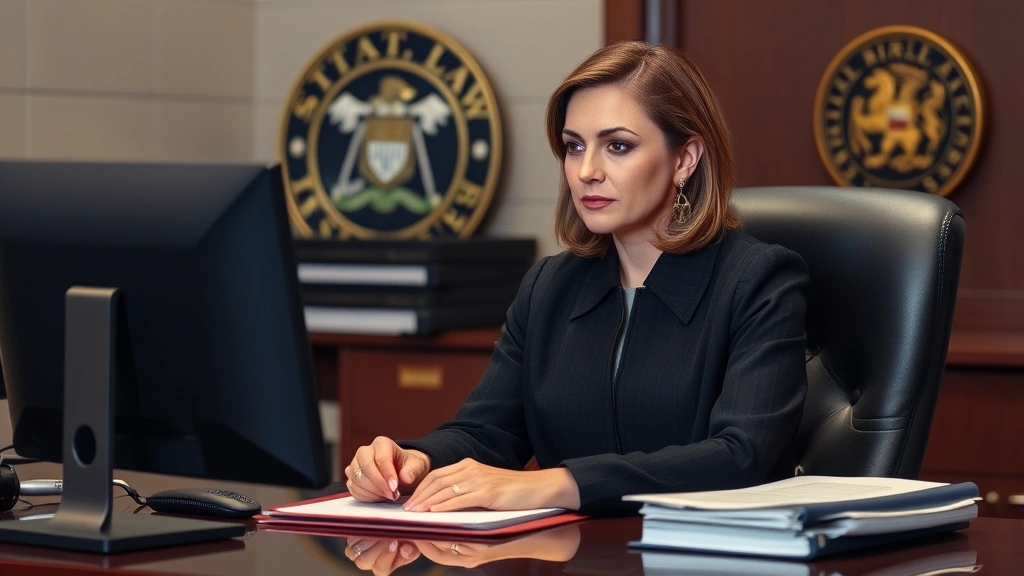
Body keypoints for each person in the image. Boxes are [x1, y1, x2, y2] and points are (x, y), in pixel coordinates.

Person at [344, 41, 808, 515]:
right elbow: (488, 431)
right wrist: (415, 461)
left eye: (618, 146)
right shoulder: (549, 286)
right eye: (574, 146)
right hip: (576, 558)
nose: (586, 171)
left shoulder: (758, 280)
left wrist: (559, 484)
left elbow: (741, 457)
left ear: (685, 158)